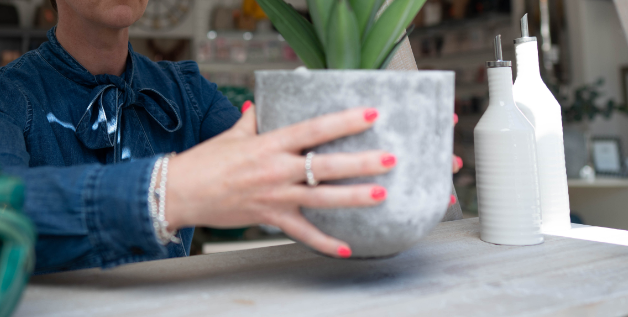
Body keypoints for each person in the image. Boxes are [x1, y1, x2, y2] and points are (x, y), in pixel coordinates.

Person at [0, 0, 460, 274]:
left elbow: (286, 156)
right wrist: (166, 192)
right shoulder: (10, 94)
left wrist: (383, 149)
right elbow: (7, 216)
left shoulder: (185, 89)